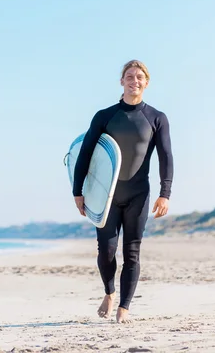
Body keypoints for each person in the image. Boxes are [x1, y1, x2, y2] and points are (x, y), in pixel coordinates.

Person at [72, 59, 173, 324]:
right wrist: (78, 191)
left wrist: (166, 193)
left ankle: (124, 308)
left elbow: (166, 156)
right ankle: (109, 292)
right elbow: (85, 154)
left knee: (132, 252)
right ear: (122, 81)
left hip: (138, 194)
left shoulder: (156, 118)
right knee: (105, 251)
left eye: (139, 77)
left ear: (146, 82)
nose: (134, 81)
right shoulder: (105, 116)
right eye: (129, 76)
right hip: (105, 197)